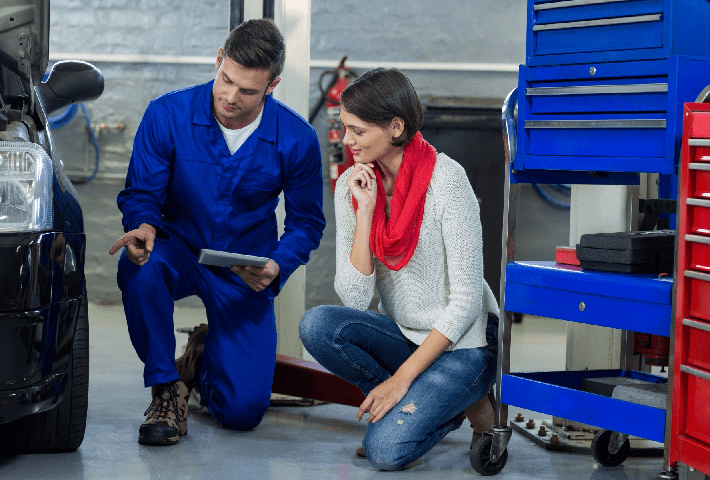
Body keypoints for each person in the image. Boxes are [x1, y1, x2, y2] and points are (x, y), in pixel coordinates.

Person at [109, 19, 325, 446]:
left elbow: (307, 222)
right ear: (219, 61)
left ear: (272, 85)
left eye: (247, 90)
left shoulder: (297, 139)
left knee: (242, 413)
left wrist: (277, 265)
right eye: (225, 79)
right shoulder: (167, 114)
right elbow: (141, 193)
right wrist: (143, 225)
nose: (230, 96)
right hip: (177, 249)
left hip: (242, 268)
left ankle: (200, 360)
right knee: (140, 268)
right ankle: (166, 389)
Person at [299, 68, 499, 470]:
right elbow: (355, 298)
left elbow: (465, 303)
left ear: (395, 127)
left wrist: (401, 379)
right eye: (344, 129)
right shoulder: (353, 185)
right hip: (406, 334)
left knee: (386, 452)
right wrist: (367, 211)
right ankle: (418, 405)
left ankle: (463, 398)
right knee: (317, 326)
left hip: (465, 341)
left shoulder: (447, 180)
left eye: (357, 131)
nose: (347, 141)